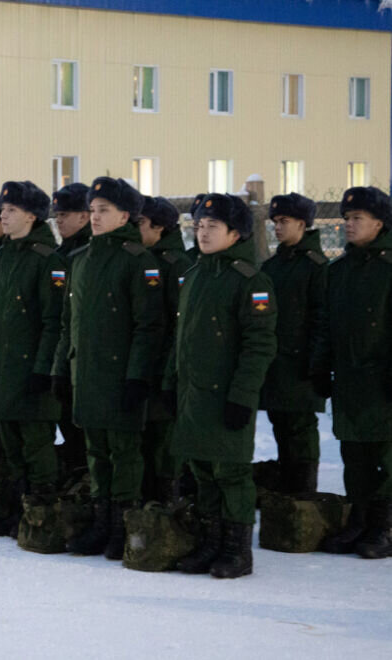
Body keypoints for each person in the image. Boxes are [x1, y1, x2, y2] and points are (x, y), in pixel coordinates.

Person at [167, 193, 277, 578]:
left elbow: (259, 346)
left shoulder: (250, 281)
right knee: (202, 470)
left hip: (227, 395)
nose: (204, 232)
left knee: (230, 473)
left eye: (213, 226)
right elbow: (181, 338)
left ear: (236, 233)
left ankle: (236, 550)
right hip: (192, 394)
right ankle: (211, 543)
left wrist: (243, 397)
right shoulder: (194, 274)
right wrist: (170, 385)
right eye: (199, 225)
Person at [55, 177, 164, 559]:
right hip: (86, 372)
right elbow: (68, 322)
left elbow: (148, 326)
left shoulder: (138, 261)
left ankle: (123, 525)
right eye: (93, 210)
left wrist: (138, 375)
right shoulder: (81, 259)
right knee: (96, 451)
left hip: (120, 376)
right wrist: (59, 368)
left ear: (125, 216)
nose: (95, 217)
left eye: (104, 210)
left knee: (124, 452)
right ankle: (102, 523)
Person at [0, 180, 63, 536]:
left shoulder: (48, 260)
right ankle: (18, 509)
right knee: (10, 445)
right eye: (3, 209)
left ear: (31, 216)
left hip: (31, 371)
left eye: (11, 210)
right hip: (1, 369)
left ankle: (43, 514)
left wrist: (43, 368)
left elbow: (53, 321)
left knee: (36, 446)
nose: (3, 215)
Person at [319, 186, 392, 558]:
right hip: (348, 379)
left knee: (386, 456)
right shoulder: (340, 271)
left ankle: (384, 526)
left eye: (357, 219)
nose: (348, 225)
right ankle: (360, 520)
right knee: (355, 456)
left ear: (380, 223)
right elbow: (326, 324)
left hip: (382, 381)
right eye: (346, 219)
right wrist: (320, 367)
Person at [258, 193, 328, 494]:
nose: (277, 227)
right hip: (277, 363)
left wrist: (318, 362)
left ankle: (302, 492)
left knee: (300, 428)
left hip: (301, 364)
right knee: (281, 424)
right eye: (274, 221)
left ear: (302, 223)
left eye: (284, 221)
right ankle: (287, 490)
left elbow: (322, 317)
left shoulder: (316, 267)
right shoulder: (273, 266)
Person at [136, 195, 191, 503]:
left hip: (163, 368)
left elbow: (177, 323)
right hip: (142, 364)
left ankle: (166, 505)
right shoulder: (141, 259)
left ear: (159, 228)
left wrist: (169, 369)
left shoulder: (175, 264)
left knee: (162, 440)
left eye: (140, 223)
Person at [50, 182, 91, 473]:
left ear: (84, 216)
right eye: (57, 215)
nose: (59, 220)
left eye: (65, 214)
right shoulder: (61, 253)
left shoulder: (87, 253)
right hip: (60, 353)